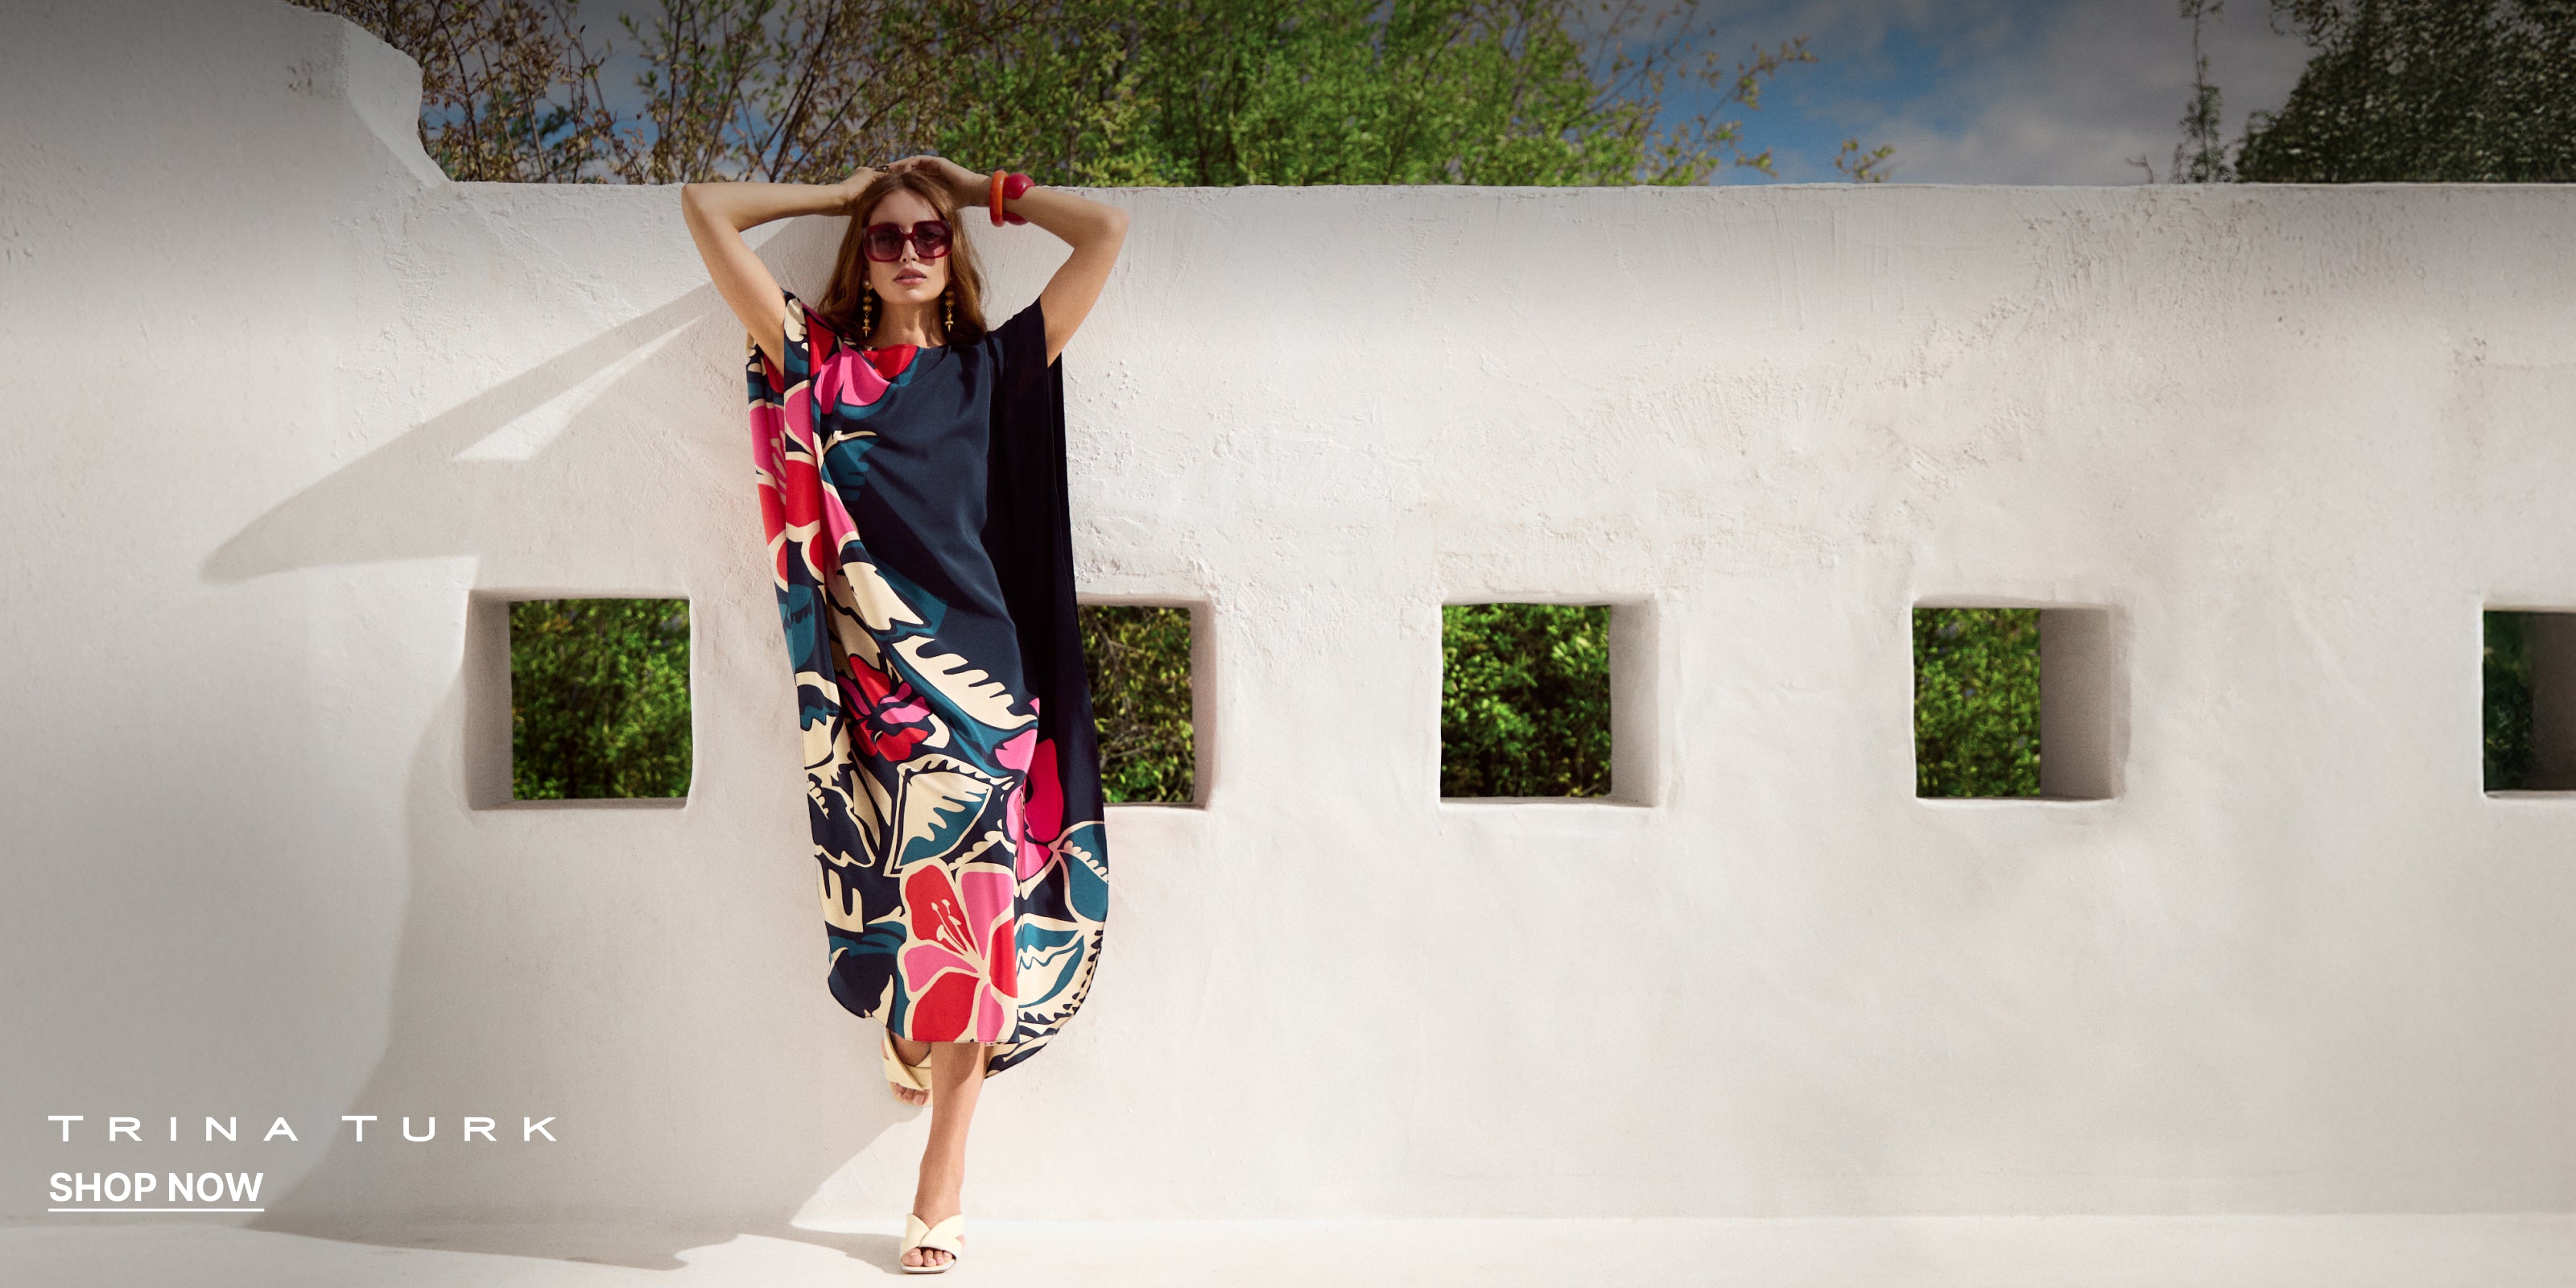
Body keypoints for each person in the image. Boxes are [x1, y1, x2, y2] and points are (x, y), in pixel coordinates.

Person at [681, 156, 1125, 1274]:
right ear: (863, 260)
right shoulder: (819, 363)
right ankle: (905, 1026)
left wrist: (979, 189)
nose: (912, 251)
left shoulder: (993, 369)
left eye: (930, 236)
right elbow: (705, 210)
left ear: (954, 251)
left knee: (973, 931)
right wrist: (839, 197)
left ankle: (942, 1182)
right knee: (892, 897)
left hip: (982, 694)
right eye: (887, 238)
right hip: (866, 694)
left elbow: (1106, 232)